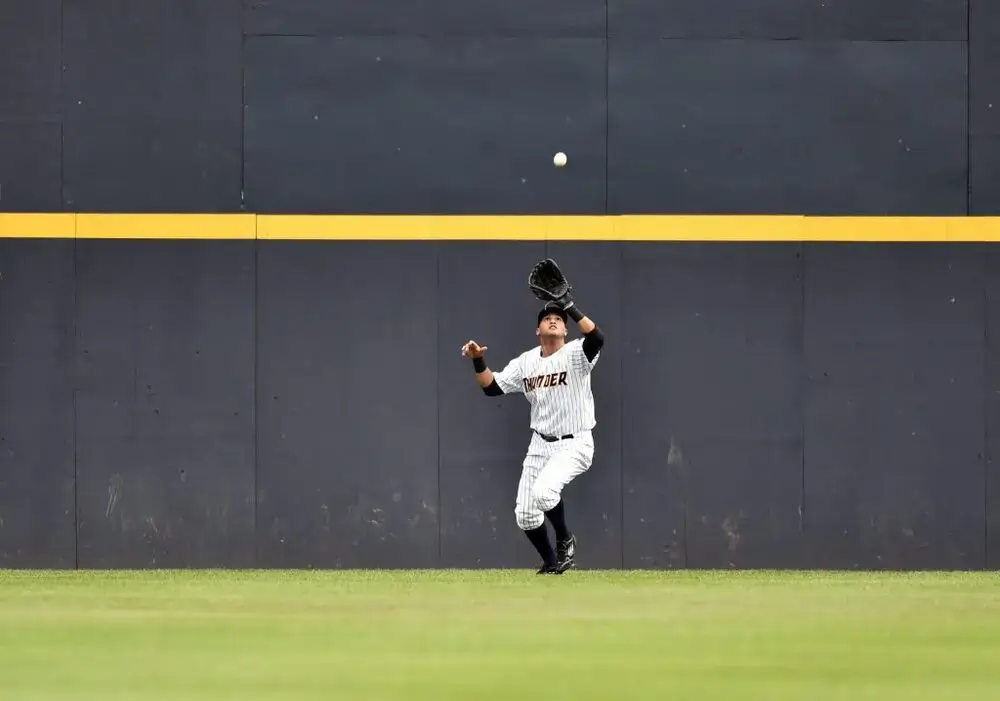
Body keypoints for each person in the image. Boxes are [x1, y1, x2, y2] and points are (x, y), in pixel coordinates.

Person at [460, 295, 604, 574]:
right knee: (525, 516)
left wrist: (570, 307)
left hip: (574, 442)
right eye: (546, 318)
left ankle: (565, 541)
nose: (553, 319)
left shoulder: (576, 353)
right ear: (538, 331)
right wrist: (478, 360)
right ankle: (552, 563)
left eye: (559, 319)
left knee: (544, 492)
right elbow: (492, 387)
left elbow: (596, 338)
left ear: (565, 330)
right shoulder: (526, 362)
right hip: (540, 443)